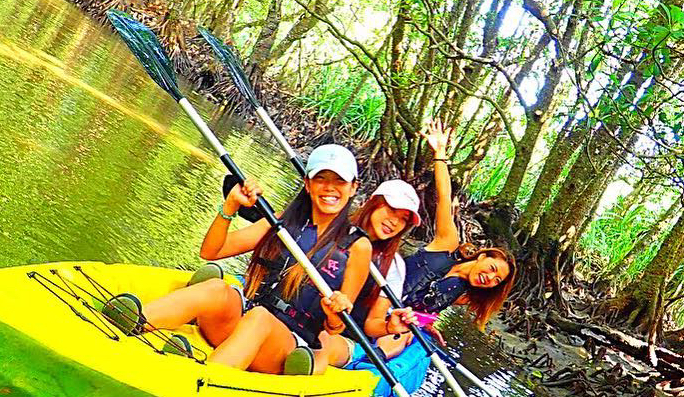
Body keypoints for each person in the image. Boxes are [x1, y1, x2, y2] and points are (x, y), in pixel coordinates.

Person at [100, 144, 372, 376]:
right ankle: (128, 321)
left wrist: (336, 311)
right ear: (308, 184)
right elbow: (212, 252)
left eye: (339, 182)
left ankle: (203, 380)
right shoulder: (282, 222)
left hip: (287, 346)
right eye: (321, 179)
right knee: (218, 289)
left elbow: (334, 329)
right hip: (242, 321)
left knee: (260, 318)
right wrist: (230, 206)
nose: (329, 189)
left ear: (352, 188)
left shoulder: (357, 246)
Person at [379, 118, 517, 358]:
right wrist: (440, 154)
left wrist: (427, 323)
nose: (490, 278)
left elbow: (426, 307)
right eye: (493, 269)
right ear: (483, 256)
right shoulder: (447, 243)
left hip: (395, 324)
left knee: (405, 337)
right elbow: (445, 197)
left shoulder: (464, 296)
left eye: (496, 280)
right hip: (377, 298)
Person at [303, 179, 422, 375]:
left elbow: (371, 324)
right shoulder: (333, 228)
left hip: (344, 336)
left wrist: (388, 327)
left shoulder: (393, 266)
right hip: (301, 314)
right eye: (392, 210)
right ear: (373, 202)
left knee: (322, 339)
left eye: (403, 220)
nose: (394, 222)